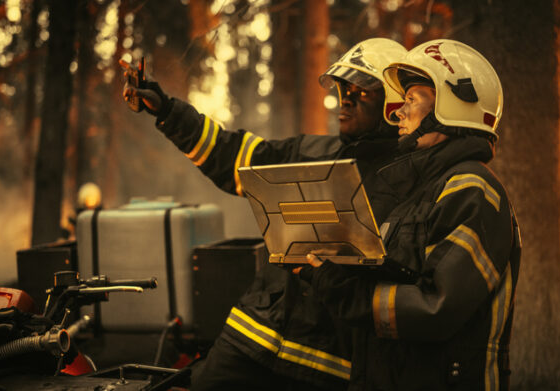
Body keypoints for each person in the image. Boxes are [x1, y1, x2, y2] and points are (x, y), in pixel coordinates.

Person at [121, 38, 408, 390]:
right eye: (342, 87)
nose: (344, 98)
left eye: (361, 92)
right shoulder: (310, 151)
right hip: (251, 337)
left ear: (396, 104)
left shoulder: (410, 183)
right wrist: (167, 111)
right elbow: (231, 156)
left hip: (325, 363)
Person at [296, 39, 522, 390]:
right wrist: (327, 272)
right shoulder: (418, 191)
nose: (399, 111)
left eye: (412, 100)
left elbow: (437, 306)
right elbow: (399, 276)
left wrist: (348, 295)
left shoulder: (472, 190)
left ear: (450, 108)